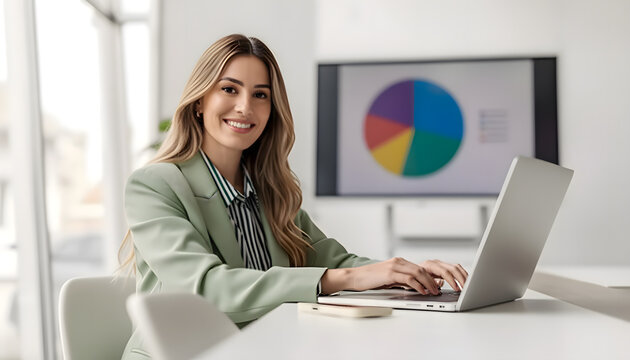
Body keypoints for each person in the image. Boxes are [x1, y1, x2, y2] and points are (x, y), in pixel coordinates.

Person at [118, 34, 468, 359]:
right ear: (199, 101)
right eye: (229, 89)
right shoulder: (154, 185)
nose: (245, 107)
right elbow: (204, 287)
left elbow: (335, 262)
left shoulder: (272, 190)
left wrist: (406, 273)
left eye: (260, 94)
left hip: (267, 348)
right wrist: (341, 279)